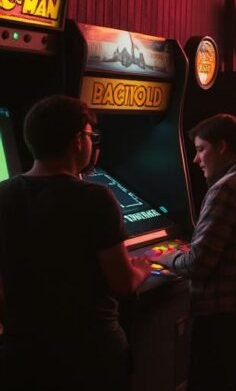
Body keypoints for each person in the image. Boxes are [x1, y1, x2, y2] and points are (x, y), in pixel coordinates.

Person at [0, 95, 149, 390]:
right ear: (78, 140)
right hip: (91, 353)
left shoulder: (3, 194)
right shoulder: (95, 198)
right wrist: (142, 268)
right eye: (91, 136)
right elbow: (123, 283)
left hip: (24, 353)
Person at [149, 114, 236, 391]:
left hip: (225, 316)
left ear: (222, 147)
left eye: (200, 149)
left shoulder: (227, 188)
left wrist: (162, 257)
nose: (196, 160)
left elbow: (198, 263)